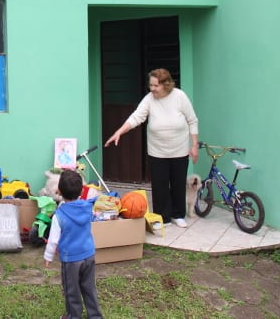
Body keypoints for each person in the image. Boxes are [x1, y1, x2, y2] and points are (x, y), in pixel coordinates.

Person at [105, 68, 199, 229]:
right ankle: (163, 217)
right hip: (157, 151)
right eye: (151, 85)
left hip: (180, 149)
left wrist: (194, 145)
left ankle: (178, 215)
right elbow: (137, 117)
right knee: (160, 185)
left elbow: (192, 120)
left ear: (166, 84)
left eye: (156, 86)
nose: (152, 89)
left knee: (177, 183)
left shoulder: (179, 96)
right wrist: (119, 131)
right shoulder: (149, 99)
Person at [44, 170, 103, 319]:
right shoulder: (87, 207)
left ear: (59, 191)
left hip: (71, 259)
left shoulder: (60, 214)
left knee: (71, 290)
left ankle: (73, 316)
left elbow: (53, 239)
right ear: (82, 191)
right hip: (88, 254)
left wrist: (48, 256)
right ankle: (95, 315)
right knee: (89, 287)